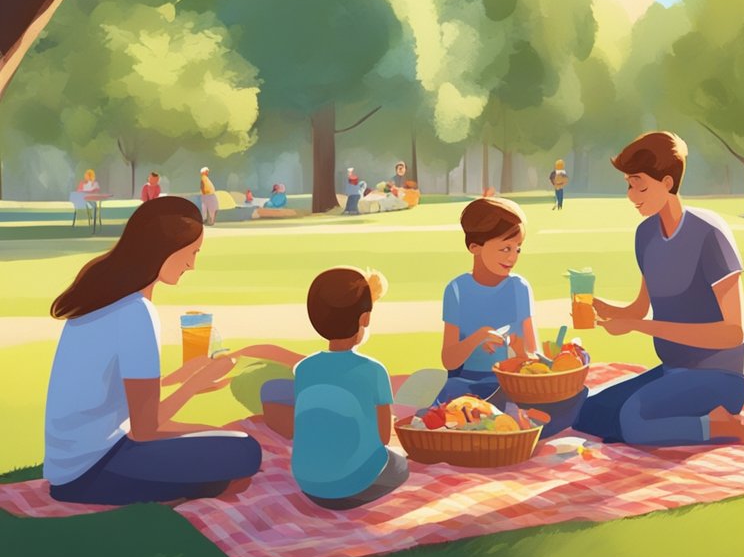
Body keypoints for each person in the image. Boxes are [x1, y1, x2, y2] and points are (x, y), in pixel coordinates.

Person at [43, 197, 262, 505]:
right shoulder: (136, 312)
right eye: (192, 253)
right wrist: (194, 385)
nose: (192, 264)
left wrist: (179, 378)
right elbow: (146, 429)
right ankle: (184, 489)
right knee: (245, 450)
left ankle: (192, 485)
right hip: (95, 471)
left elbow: (111, 394)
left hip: (69, 467)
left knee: (220, 446)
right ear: (165, 250)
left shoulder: (102, 296)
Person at [574, 131, 744, 446]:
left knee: (633, 421)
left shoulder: (709, 235)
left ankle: (720, 427)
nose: (631, 195)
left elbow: (732, 333)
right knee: (588, 413)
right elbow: (640, 308)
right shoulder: (646, 235)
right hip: (672, 371)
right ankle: (680, 421)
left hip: (718, 378)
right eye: (629, 185)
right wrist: (605, 310)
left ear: (667, 182)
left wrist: (635, 326)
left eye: (639, 185)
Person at [236, 269, 407, 509]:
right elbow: (382, 436)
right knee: (401, 466)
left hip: (310, 485)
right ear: (365, 318)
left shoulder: (304, 369)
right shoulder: (374, 370)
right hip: (356, 485)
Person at [434, 197, 540, 405]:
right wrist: (478, 337)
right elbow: (449, 360)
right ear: (475, 247)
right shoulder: (457, 290)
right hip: (467, 384)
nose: (513, 257)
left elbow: (535, 356)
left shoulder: (520, 288)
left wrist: (520, 351)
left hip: (514, 385)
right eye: (505, 249)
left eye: (517, 248)